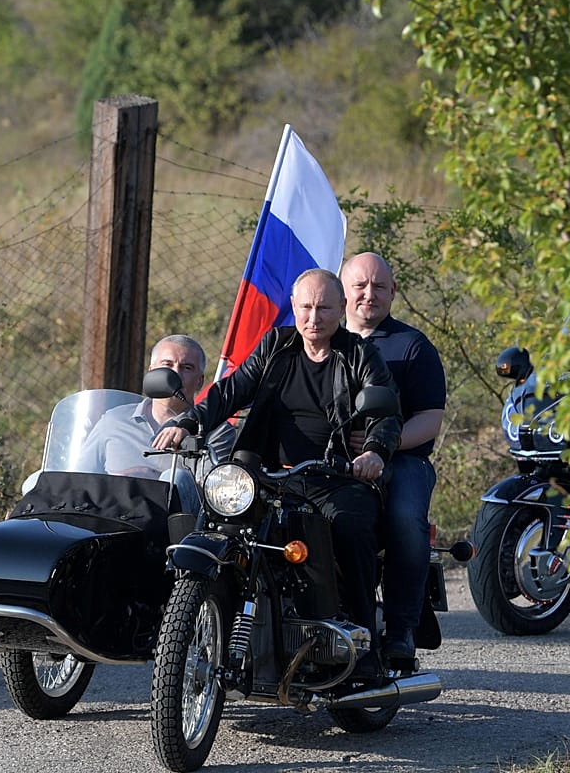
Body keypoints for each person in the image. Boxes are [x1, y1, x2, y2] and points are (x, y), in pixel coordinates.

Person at [153, 269, 401, 670]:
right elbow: (230, 391)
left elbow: (385, 413)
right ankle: (218, 618)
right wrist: (188, 422)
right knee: (222, 524)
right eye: (306, 307)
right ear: (294, 307)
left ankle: (363, 642)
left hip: (335, 477)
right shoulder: (275, 345)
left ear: (341, 308)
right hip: (267, 475)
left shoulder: (359, 354)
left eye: (324, 308)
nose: (314, 317)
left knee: (350, 528)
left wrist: (374, 451)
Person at [340, 252, 446, 666]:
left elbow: (431, 420)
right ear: (343, 290)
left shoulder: (413, 346)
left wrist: (382, 445)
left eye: (379, 286)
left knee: (404, 518)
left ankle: (401, 627)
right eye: (360, 285)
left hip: (402, 461)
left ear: (393, 292)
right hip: (332, 459)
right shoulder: (321, 342)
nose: (369, 294)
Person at [80, 335, 236, 513]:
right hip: (113, 518)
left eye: (186, 367)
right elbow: (78, 476)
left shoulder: (217, 431)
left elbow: (212, 495)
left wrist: (150, 480)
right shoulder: (113, 420)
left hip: (176, 525)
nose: (175, 374)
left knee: (175, 477)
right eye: (167, 365)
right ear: (151, 372)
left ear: (199, 381)